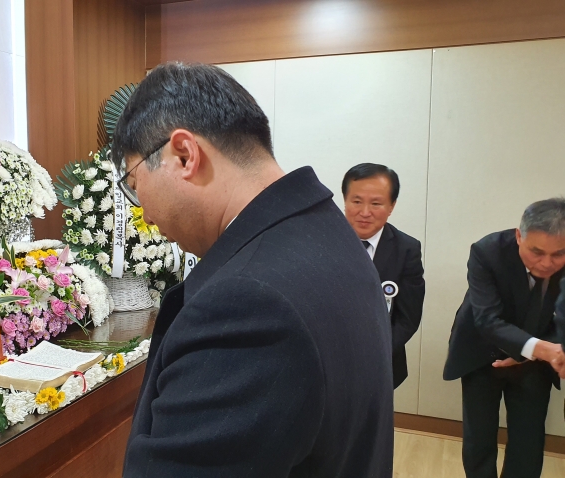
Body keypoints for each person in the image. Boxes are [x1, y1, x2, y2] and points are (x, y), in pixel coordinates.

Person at [114, 62, 393, 477]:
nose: (146, 215)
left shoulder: (247, 303)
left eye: (135, 186)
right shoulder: (327, 230)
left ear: (184, 155)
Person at [443, 198, 565, 478]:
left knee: (529, 440)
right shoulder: (487, 252)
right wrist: (542, 349)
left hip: (537, 361)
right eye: (536, 252)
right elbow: (487, 319)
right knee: (479, 438)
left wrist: (534, 352)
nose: (547, 263)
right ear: (519, 236)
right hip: (481, 353)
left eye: (559, 254)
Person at [342, 163, 425, 389]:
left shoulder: (406, 249)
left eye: (376, 203)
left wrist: (373, 353)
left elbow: (407, 318)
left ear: (391, 206)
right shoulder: (320, 242)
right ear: (345, 200)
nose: (365, 212)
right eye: (356, 201)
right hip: (326, 362)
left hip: (380, 364)